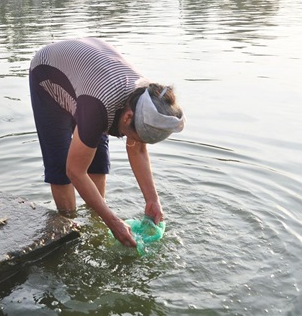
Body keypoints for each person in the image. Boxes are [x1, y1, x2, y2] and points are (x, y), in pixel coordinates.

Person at [29, 38, 185, 248]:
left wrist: (152, 200)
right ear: (128, 117)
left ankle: (95, 222)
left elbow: (138, 149)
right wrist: (113, 221)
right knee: (61, 164)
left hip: (93, 81)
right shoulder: (98, 107)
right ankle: (69, 226)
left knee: (98, 160)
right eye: (136, 137)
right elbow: (75, 171)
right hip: (48, 73)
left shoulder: (149, 97)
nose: (135, 143)